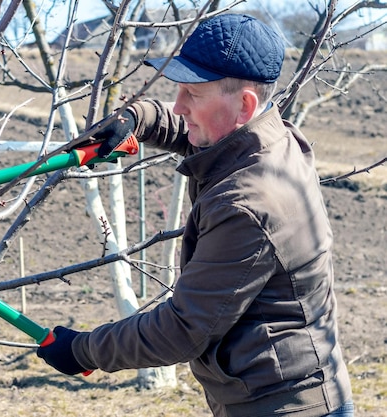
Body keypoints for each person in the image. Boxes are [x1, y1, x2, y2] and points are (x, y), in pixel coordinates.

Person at [37, 13, 354, 417]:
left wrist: (82, 350)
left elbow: (182, 330)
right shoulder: (271, 137)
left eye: (193, 93)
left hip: (283, 407)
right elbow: (197, 134)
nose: (180, 105)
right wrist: (137, 118)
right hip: (277, 394)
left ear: (244, 105)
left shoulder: (249, 203)